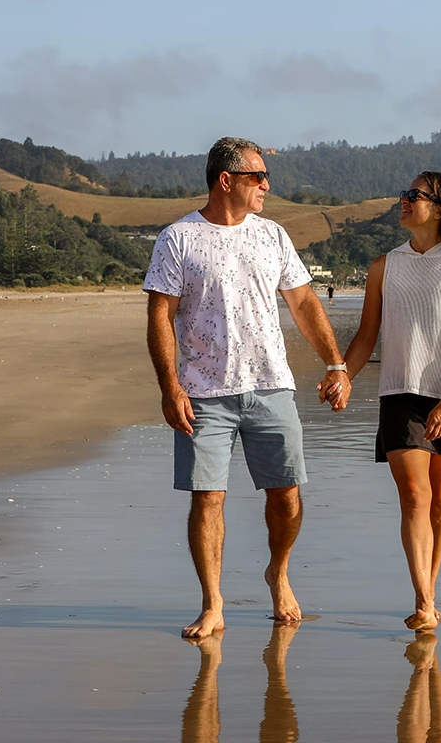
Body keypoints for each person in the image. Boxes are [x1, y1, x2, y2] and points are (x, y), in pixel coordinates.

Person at [145, 136, 353, 640]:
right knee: (207, 498)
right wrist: (170, 387)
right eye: (258, 177)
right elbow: (160, 316)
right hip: (203, 391)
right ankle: (213, 604)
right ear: (227, 180)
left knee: (286, 495)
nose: (266, 186)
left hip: (271, 385)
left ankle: (277, 573)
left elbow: (303, 304)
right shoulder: (179, 238)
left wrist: (335, 363)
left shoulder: (272, 235)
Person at [340, 171, 441, 631]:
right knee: (414, 495)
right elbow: (368, 335)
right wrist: (342, 375)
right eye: (404, 194)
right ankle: (424, 601)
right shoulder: (384, 266)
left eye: (414, 195)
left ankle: (430, 588)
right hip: (400, 393)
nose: (403, 201)